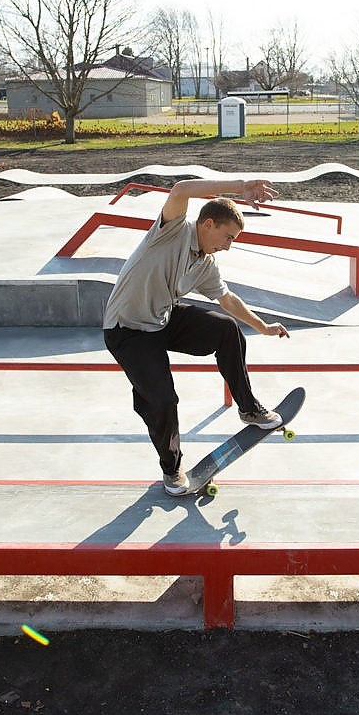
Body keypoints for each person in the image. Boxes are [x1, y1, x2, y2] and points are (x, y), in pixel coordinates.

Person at [102, 179, 291, 495]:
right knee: (162, 400)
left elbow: (228, 299)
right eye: (227, 237)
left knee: (226, 329)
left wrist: (262, 327)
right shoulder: (172, 230)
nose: (228, 245)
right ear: (208, 224)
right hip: (127, 330)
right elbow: (180, 189)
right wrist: (240, 186)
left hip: (162, 318)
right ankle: (172, 470)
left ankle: (249, 409)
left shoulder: (207, 264)